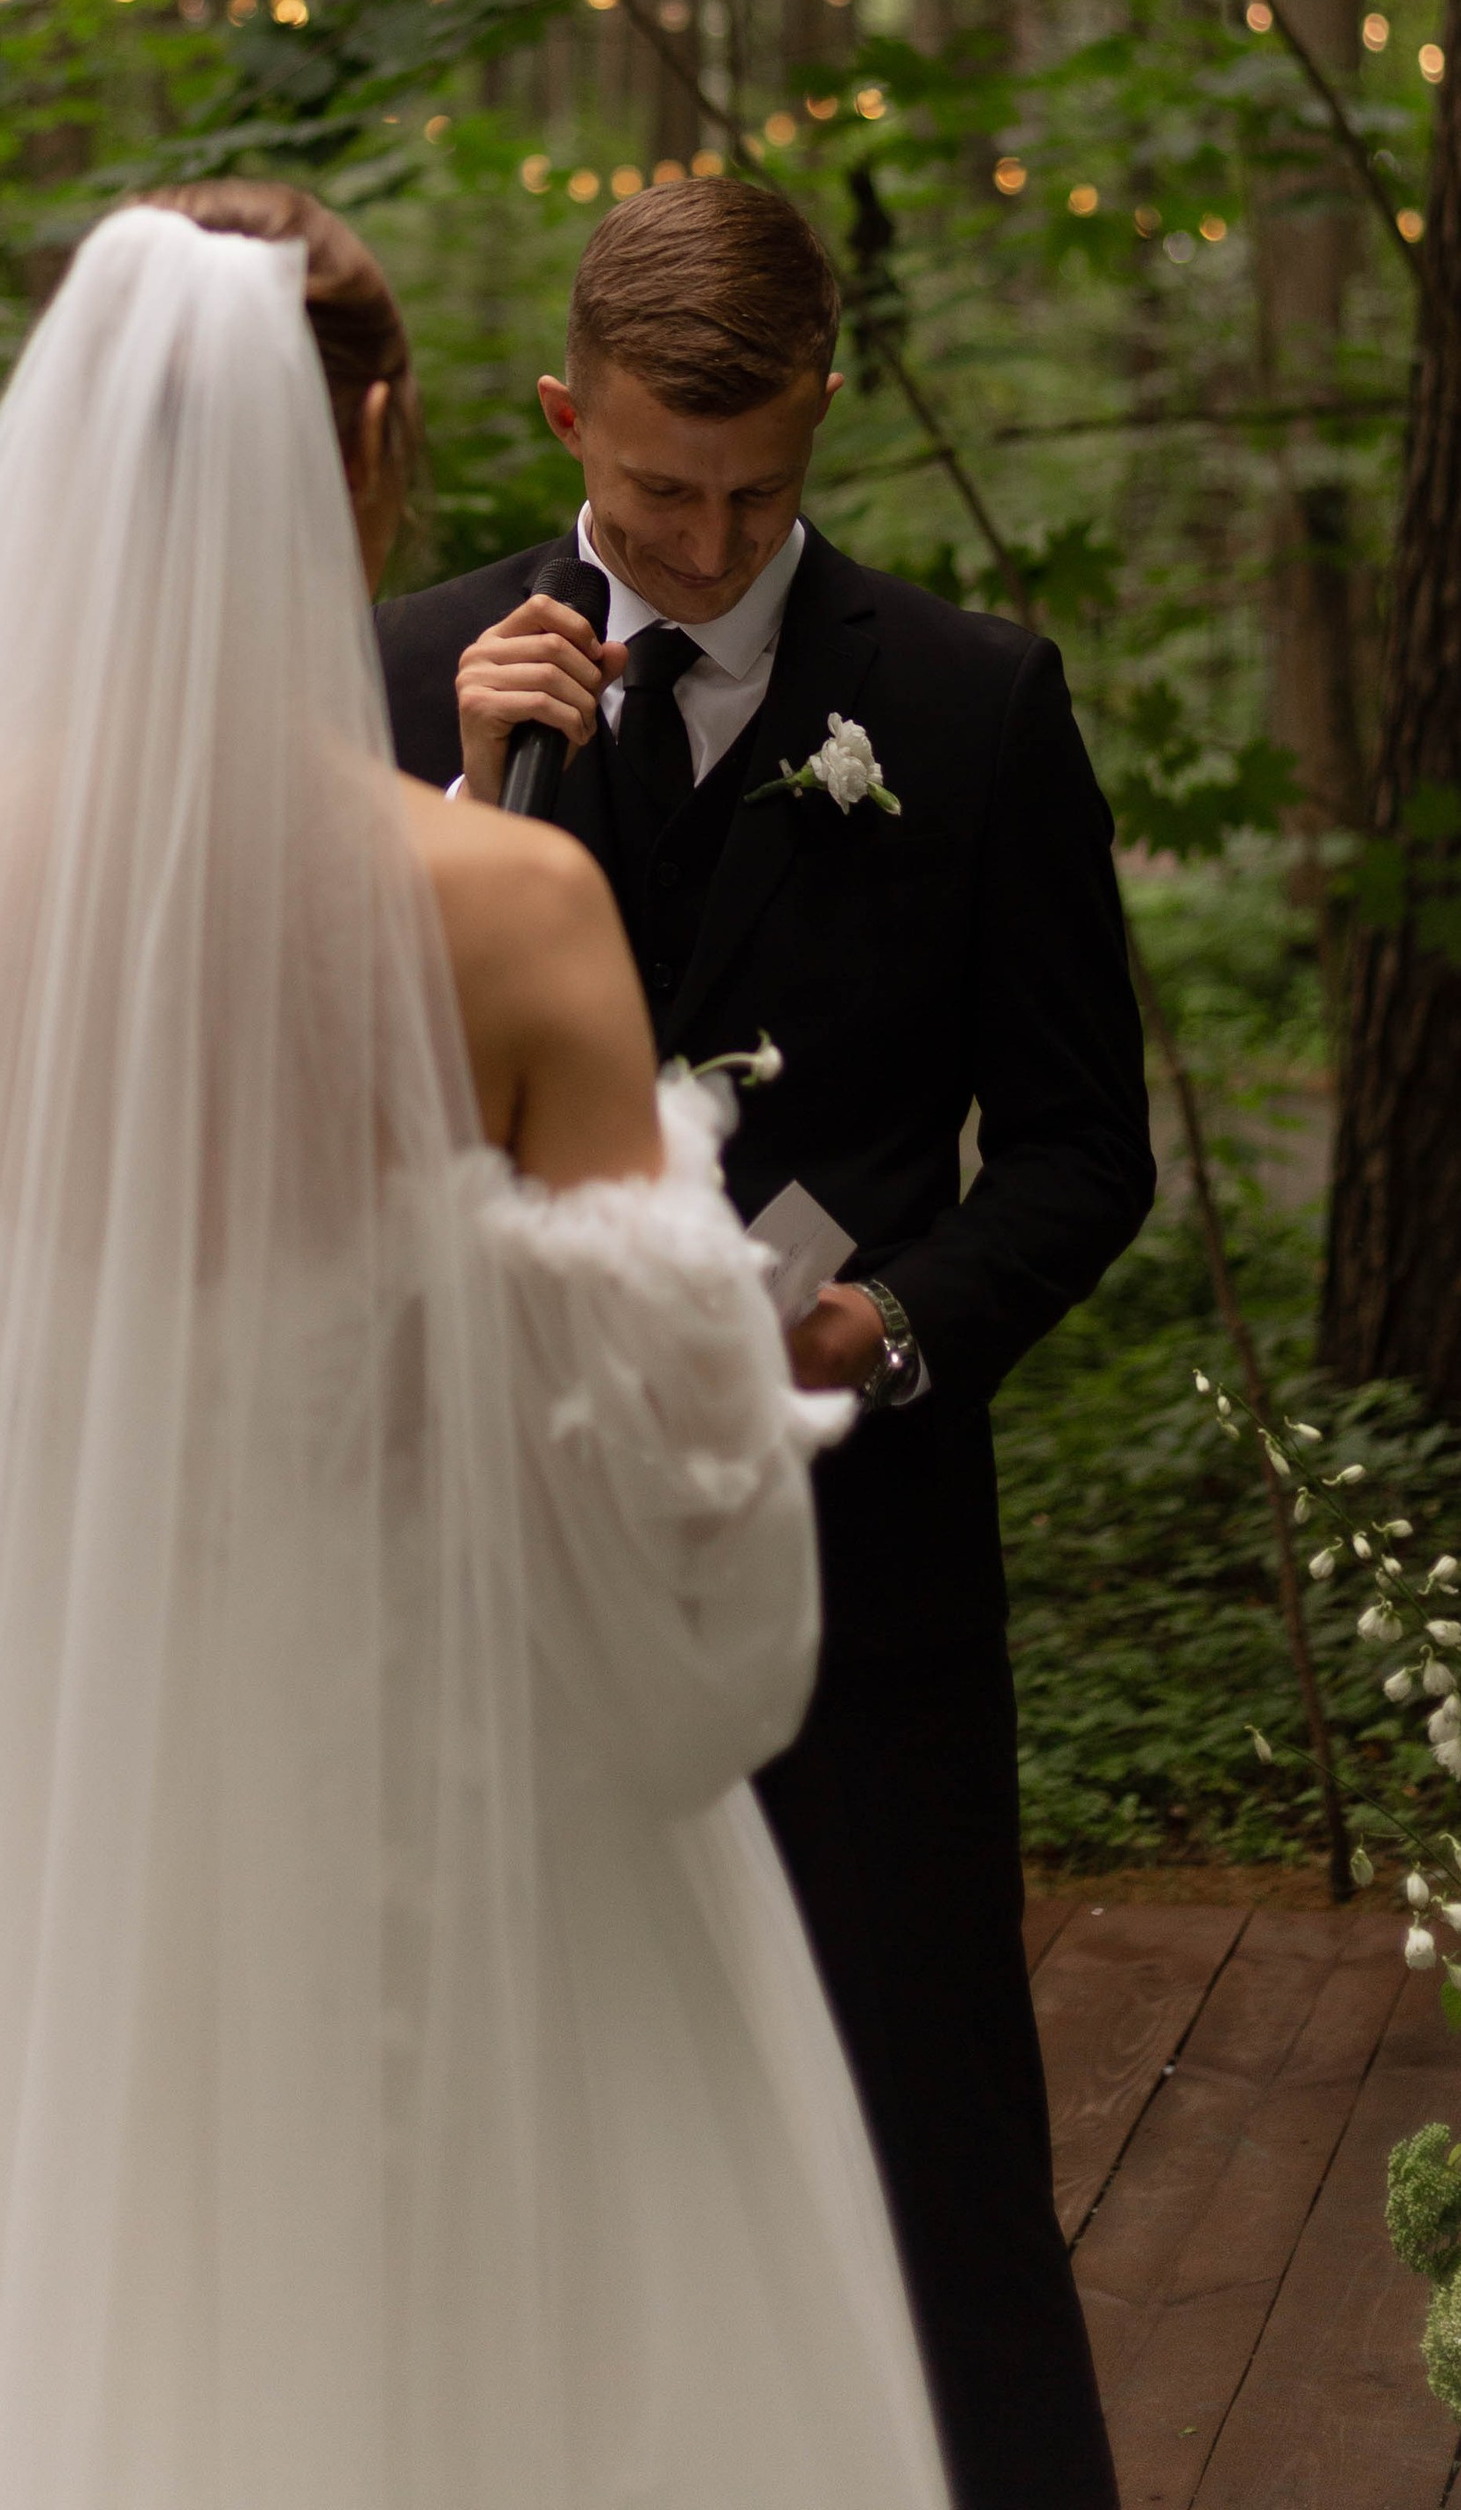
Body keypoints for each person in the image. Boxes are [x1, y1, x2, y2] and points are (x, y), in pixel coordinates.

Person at [0, 183, 950, 2510]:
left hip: (21, 1813)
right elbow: (688, 1545)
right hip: (452, 1844)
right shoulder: (505, 912)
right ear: (373, 448)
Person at [374, 178, 1157, 2510]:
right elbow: (298, 1116)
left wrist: (893, 1330)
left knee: (927, 2149)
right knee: (497, 2126)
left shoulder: (971, 701)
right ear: (559, 421)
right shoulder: (394, 665)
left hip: (848, 1560)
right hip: (474, 1560)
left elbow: (1081, 1148)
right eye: (650, 490)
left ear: (822, 411)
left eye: (756, 489)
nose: (705, 540)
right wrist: (452, 795)